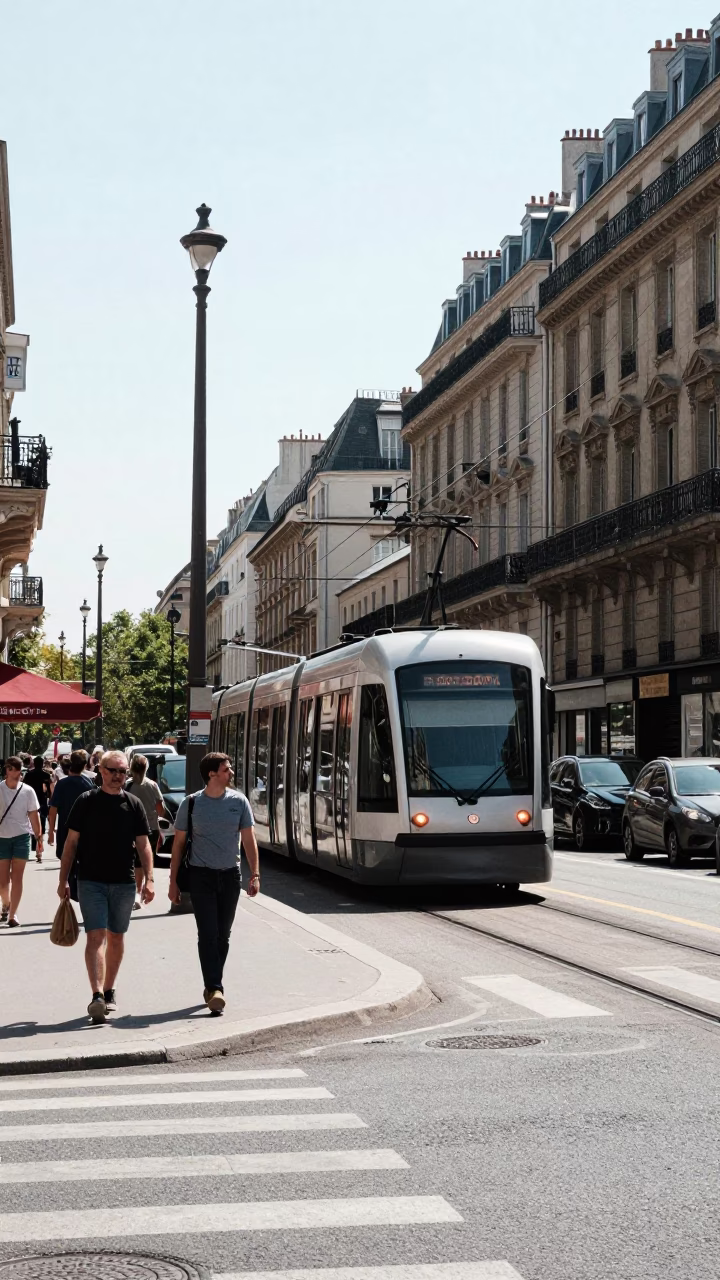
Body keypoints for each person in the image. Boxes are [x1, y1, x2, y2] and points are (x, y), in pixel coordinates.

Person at [57, 750, 154, 1022]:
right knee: (95, 936)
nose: (118, 776)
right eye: (113, 771)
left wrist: (150, 879)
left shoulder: (133, 803)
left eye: (123, 772)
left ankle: (110, 990)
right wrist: (63, 878)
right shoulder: (86, 801)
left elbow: (144, 844)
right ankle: (97, 995)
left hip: (124, 883)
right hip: (90, 881)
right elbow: (71, 843)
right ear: (100, 770)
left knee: (116, 937)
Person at [169, 751, 260, 1015]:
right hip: (201, 876)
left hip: (230, 876)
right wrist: (173, 881)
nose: (231, 772)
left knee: (223, 935)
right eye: (226, 769)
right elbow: (178, 844)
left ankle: (212, 987)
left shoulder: (239, 801)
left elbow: (248, 840)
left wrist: (254, 874)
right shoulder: (192, 804)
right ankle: (215, 987)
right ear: (212, 774)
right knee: (207, 934)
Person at [0, 756, 43, 927]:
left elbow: (33, 813)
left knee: (17, 878)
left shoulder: (27, 791)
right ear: (7, 770)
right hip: (2, 838)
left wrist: (38, 836)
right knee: (3, 883)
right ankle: (6, 903)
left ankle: (13, 914)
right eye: (14, 773)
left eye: (19, 774)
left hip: (22, 837)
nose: (18, 777)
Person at [125, 754, 165, 910]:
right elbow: (160, 810)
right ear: (146, 768)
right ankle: (142, 888)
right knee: (145, 861)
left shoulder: (127, 785)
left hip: (131, 829)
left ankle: (135, 891)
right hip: (151, 829)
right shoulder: (152, 785)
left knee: (134, 862)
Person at [47, 750, 96, 875]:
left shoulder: (62, 784)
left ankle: (66, 888)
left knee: (66, 863)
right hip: (84, 830)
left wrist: (51, 832)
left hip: (65, 830)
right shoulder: (88, 783)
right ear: (84, 765)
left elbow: (53, 810)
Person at [23, 755, 52, 862]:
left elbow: (23, 787)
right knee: (42, 825)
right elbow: (49, 791)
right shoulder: (46, 775)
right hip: (42, 802)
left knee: (31, 823)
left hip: (29, 802)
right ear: (43, 764)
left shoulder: (29, 774)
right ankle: (38, 850)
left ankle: (34, 844)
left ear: (34, 764)